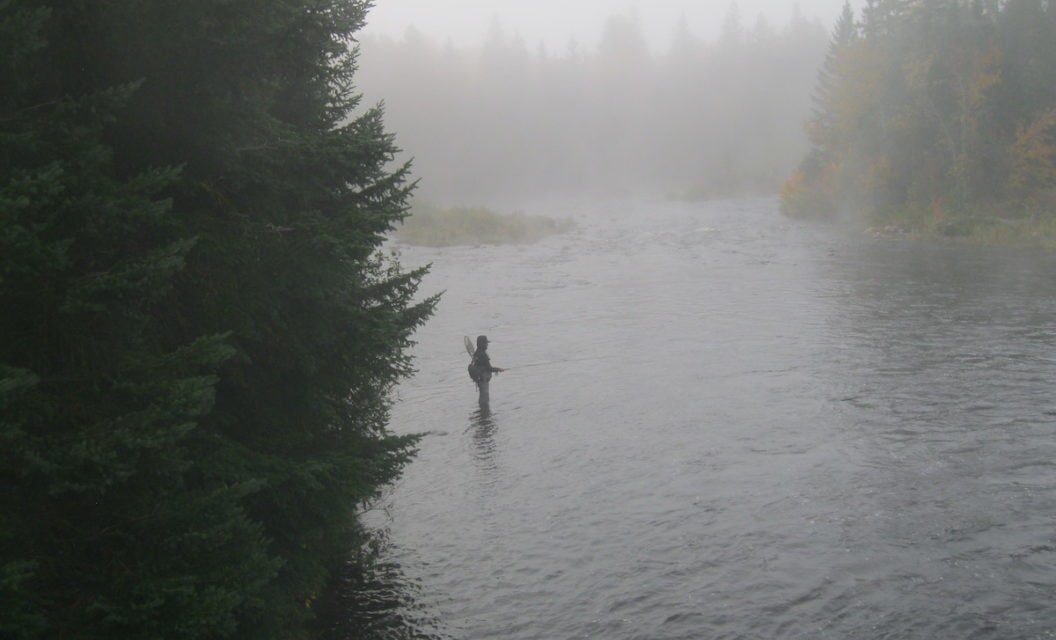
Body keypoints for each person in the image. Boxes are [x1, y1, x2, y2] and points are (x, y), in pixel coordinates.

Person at [469, 335, 504, 406]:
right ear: (483, 344)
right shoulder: (483, 355)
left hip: (479, 379)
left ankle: (482, 413)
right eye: (486, 343)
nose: (487, 345)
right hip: (483, 379)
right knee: (484, 399)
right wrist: (499, 369)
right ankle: (484, 412)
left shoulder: (476, 353)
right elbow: (489, 368)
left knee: (482, 396)